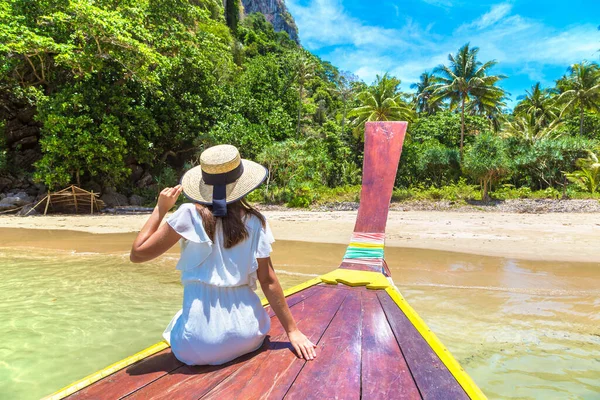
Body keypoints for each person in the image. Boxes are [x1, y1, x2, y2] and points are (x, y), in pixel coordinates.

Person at [129, 144, 316, 365]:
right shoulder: (256, 221)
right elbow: (268, 281)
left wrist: (160, 208)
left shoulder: (188, 214)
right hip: (249, 334)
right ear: (240, 183)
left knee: (178, 321)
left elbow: (138, 254)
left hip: (198, 346)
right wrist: (293, 332)